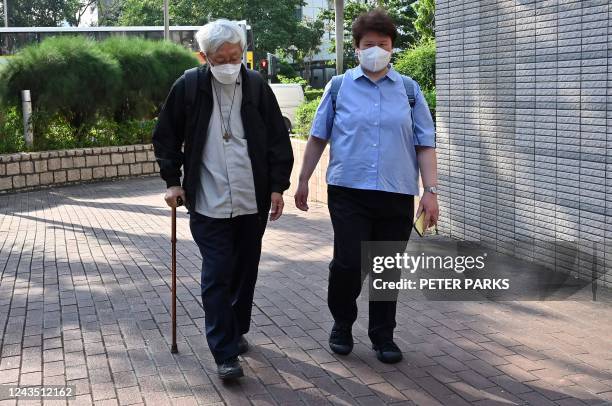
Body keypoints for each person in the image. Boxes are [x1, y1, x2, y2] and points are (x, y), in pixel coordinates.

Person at [294, 9, 439, 364]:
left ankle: (382, 336)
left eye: (383, 44)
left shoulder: (408, 90)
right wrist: (301, 180)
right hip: (348, 191)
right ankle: (342, 323)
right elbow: (317, 138)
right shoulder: (339, 87)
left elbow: (425, 143)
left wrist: (430, 191)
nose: (376, 49)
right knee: (348, 263)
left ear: (392, 48)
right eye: (369, 44)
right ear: (357, 48)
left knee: (387, 266)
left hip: (395, 193)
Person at [152, 19, 293, 379]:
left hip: (251, 198)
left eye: (236, 56)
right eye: (221, 58)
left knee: (245, 271)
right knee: (217, 273)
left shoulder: (257, 86)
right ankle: (224, 352)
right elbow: (165, 136)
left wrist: (278, 186)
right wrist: (172, 181)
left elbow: (277, 138)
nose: (231, 64)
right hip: (208, 199)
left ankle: (235, 329)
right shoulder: (189, 86)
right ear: (204, 56)